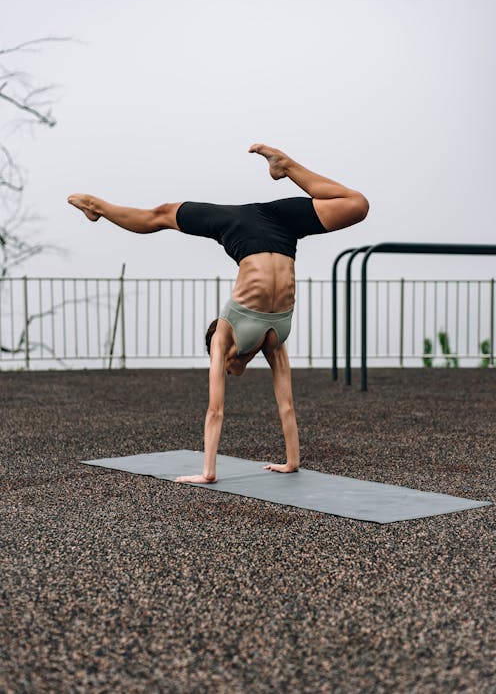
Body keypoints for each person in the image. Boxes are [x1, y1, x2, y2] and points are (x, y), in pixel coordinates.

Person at [67, 144, 369, 484]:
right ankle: (99, 208)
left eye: (227, 366)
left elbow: (215, 410)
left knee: (164, 213)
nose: (233, 370)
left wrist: (207, 472)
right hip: (279, 227)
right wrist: (292, 462)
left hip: (240, 222)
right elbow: (287, 405)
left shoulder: (224, 334)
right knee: (357, 204)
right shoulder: (274, 340)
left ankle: (286, 166)